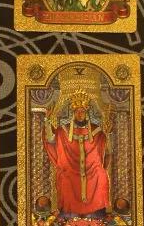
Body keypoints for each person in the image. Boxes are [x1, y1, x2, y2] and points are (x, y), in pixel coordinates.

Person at [43, 90, 109, 218]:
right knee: (65, 178)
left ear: (86, 113)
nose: (80, 114)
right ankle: (68, 214)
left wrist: (109, 133)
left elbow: (105, 146)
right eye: (77, 111)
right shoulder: (64, 130)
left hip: (92, 170)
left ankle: (97, 213)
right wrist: (47, 120)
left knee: (101, 175)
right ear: (73, 113)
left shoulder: (96, 131)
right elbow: (50, 140)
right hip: (70, 169)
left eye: (82, 111)